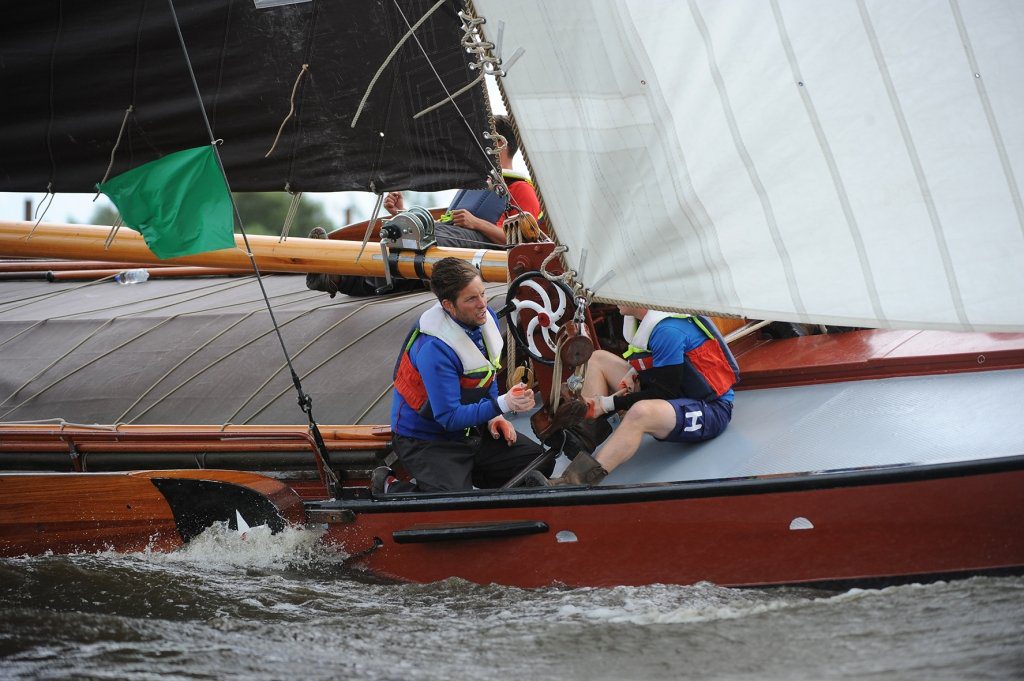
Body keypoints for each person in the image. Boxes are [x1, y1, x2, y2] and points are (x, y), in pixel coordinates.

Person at [371, 257, 553, 494]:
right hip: (428, 440)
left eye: (483, 294)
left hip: (471, 429)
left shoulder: (481, 321)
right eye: (471, 299)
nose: (482, 304)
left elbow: (486, 374)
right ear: (448, 305)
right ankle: (390, 486)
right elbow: (447, 418)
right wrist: (502, 404)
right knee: (453, 505)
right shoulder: (435, 350)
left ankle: (474, 487)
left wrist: (492, 418)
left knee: (538, 462)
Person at [307, 115, 541, 297]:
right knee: (398, 234)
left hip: (481, 248)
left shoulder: (521, 189)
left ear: (499, 144)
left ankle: (339, 274)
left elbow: (524, 243)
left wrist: (475, 222)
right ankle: (337, 277)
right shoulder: (477, 186)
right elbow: (449, 223)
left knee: (422, 242)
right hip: (456, 236)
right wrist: (402, 213)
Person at [546, 306, 740, 486]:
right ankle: (584, 434)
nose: (611, 301)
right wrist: (635, 374)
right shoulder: (642, 321)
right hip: (677, 393)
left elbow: (664, 393)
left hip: (711, 408)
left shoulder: (667, 330)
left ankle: (577, 480)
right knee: (598, 358)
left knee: (640, 413)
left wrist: (607, 404)